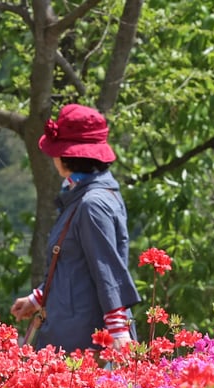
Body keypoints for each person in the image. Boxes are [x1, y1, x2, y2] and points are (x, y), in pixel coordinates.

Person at [10, 104, 140, 352]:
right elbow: (75, 265)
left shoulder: (92, 204)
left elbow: (106, 270)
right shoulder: (85, 196)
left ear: (67, 155)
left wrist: (118, 331)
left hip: (83, 341)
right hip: (69, 329)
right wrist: (38, 298)